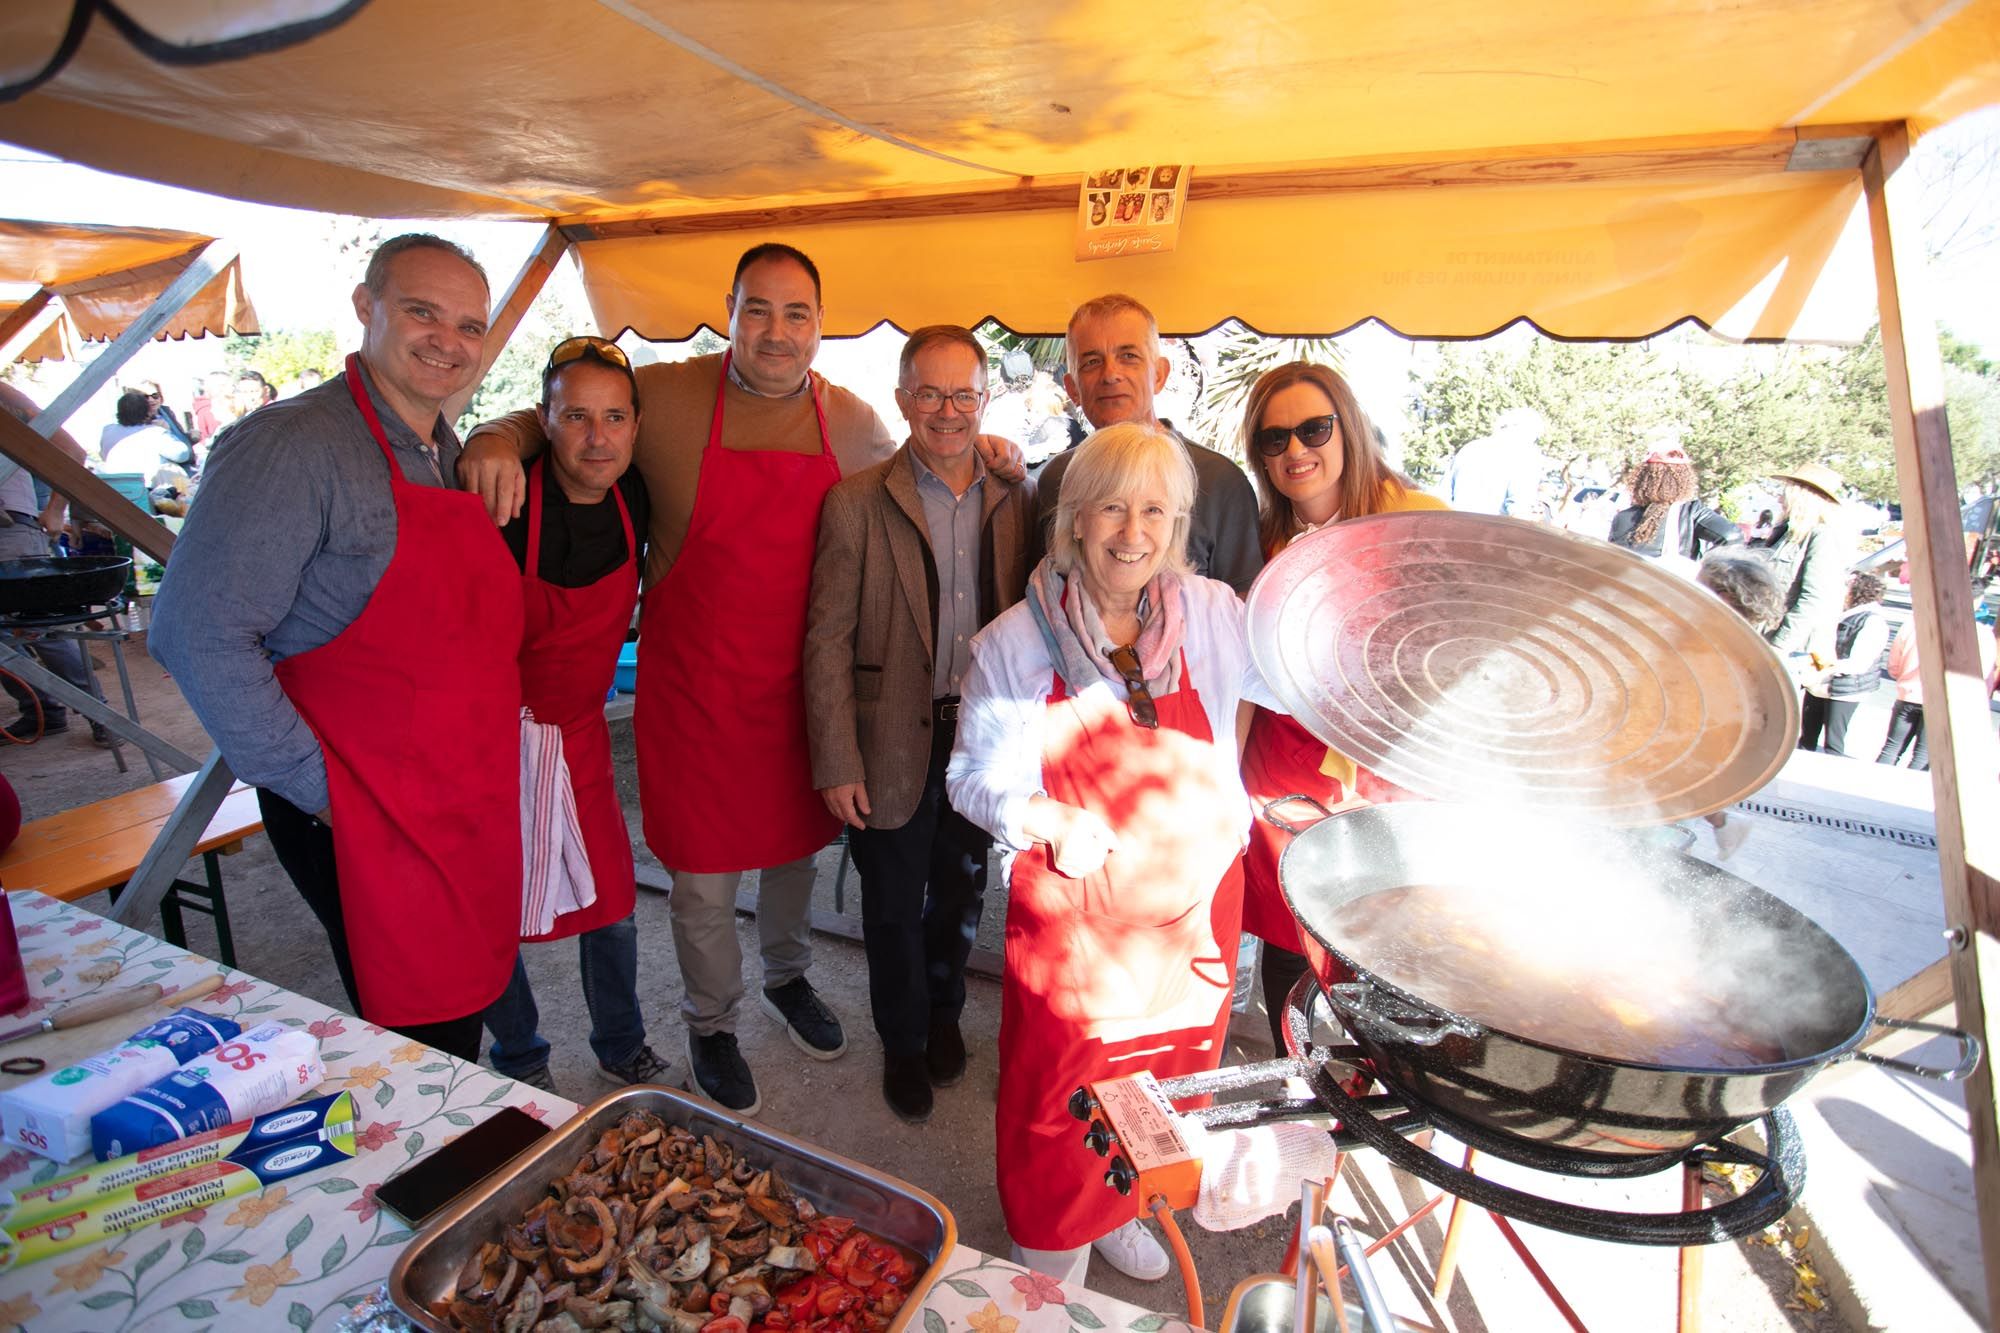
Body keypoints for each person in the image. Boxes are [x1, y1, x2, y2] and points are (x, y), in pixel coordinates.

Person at [459, 243, 1024, 1117]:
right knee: (705, 882)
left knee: (798, 854)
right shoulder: (676, 393)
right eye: (757, 309)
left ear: (820, 328)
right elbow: (576, 409)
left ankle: (788, 977)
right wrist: (500, 433)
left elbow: (932, 458)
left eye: (796, 314)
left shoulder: (856, 419)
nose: (775, 331)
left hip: (805, 693)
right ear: (728, 310)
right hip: (696, 693)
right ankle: (711, 1022)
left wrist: (986, 444)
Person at [150, 234, 521, 1062]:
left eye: (470, 325)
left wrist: (500, 434)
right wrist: (324, 790)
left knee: (461, 1011)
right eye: (423, 311)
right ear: (366, 307)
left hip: (453, 798)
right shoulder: (293, 444)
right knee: (425, 1036)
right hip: (365, 809)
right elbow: (195, 634)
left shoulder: (447, 450)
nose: (448, 341)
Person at [948, 422, 1276, 1285]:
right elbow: (969, 778)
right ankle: (1054, 1244)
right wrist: (1046, 817)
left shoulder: (1212, 614)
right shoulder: (1016, 643)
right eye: (1113, 509)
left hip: (1196, 919)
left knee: (1165, 1083)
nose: (1133, 532)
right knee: (1065, 1094)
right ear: (1075, 519)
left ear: (1176, 527)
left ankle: (1121, 1205)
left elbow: (1296, 672)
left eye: (1155, 513)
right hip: (1080, 927)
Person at [805, 325, 1036, 1123]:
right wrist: (837, 758)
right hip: (889, 735)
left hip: (980, 732)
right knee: (894, 901)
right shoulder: (857, 500)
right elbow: (826, 637)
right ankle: (901, 1041)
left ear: (985, 399)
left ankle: (943, 1014)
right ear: (903, 399)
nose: (948, 410)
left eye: (963, 392)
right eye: (930, 393)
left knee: (961, 894)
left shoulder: (1017, 493)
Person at [1234, 362, 1446, 1050]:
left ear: (1346, 427)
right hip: (1284, 768)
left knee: (1386, 940)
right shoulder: (1258, 540)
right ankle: (1303, 1075)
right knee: (1291, 939)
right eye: (1274, 439)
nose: (1295, 451)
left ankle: (1384, 1089)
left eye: (1313, 429)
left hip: (1389, 775)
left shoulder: (1418, 521)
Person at [482, 335, 667, 1095]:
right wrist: (495, 434)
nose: (598, 437)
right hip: (493, 737)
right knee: (490, 913)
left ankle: (621, 1046)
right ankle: (521, 1058)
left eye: (615, 418)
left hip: (581, 731)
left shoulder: (636, 496)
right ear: (545, 420)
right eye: (577, 417)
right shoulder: (504, 498)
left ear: (635, 425)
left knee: (612, 906)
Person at [1029, 294, 1262, 594]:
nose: (1111, 374)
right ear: (1073, 388)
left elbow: (1240, 609)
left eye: (1129, 357)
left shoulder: (1219, 480)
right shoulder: (1057, 478)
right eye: (1092, 361)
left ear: (1160, 375)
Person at [0, 382, 111, 745]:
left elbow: (70, 450)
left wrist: (55, 509)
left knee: (40, 629)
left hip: (11, 529)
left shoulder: (4, 394)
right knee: (6, 637)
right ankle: (42, 710)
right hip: (13, 528)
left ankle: (99, 711)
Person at [1693, 550, 1787, 857]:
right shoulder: (1742, 644)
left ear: (1722, 596)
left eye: (1699, 586)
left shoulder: (1724, 646)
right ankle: (1724, 823)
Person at [1754, 462, 1850, 660]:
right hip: (1762, 637)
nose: (1780, 499)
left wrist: (1779, 646)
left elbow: (1814, 600)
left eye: (1786, 493)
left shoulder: (1822, 536)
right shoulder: (1786, 533)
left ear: (1801, 497)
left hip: (1786, 649)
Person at [1605, 444, 1740, 573]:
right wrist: (1704, 572)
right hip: (1672, 590)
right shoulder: (1690, 512)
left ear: (1642, 479)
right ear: (1684, 479)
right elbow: (1732, 536)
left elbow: (1613, 565)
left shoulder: (1623, 517)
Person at [1797, 572, 1890, 756]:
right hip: (1819, 684)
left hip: (1844, 690)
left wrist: (1823, 665)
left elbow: (1858, 663)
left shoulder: (1872, 621)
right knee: (1806, 738)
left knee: (1833, 743)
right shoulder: (1841, 613)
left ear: (1857, 592)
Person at [1445, 406, 1545, 517]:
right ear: (1529, 433)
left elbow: (1443, 497)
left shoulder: (1469, 449)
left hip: (1456, 528)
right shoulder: (1524, 454)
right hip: (1494, 531)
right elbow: (1520, 508)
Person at [97, 390, 185, 481]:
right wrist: (167, 430)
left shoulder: (108, 430)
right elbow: (182, 455)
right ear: (147, 412)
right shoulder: (154, 432)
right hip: (148, 486)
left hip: (117, 484)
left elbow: (103, 455)